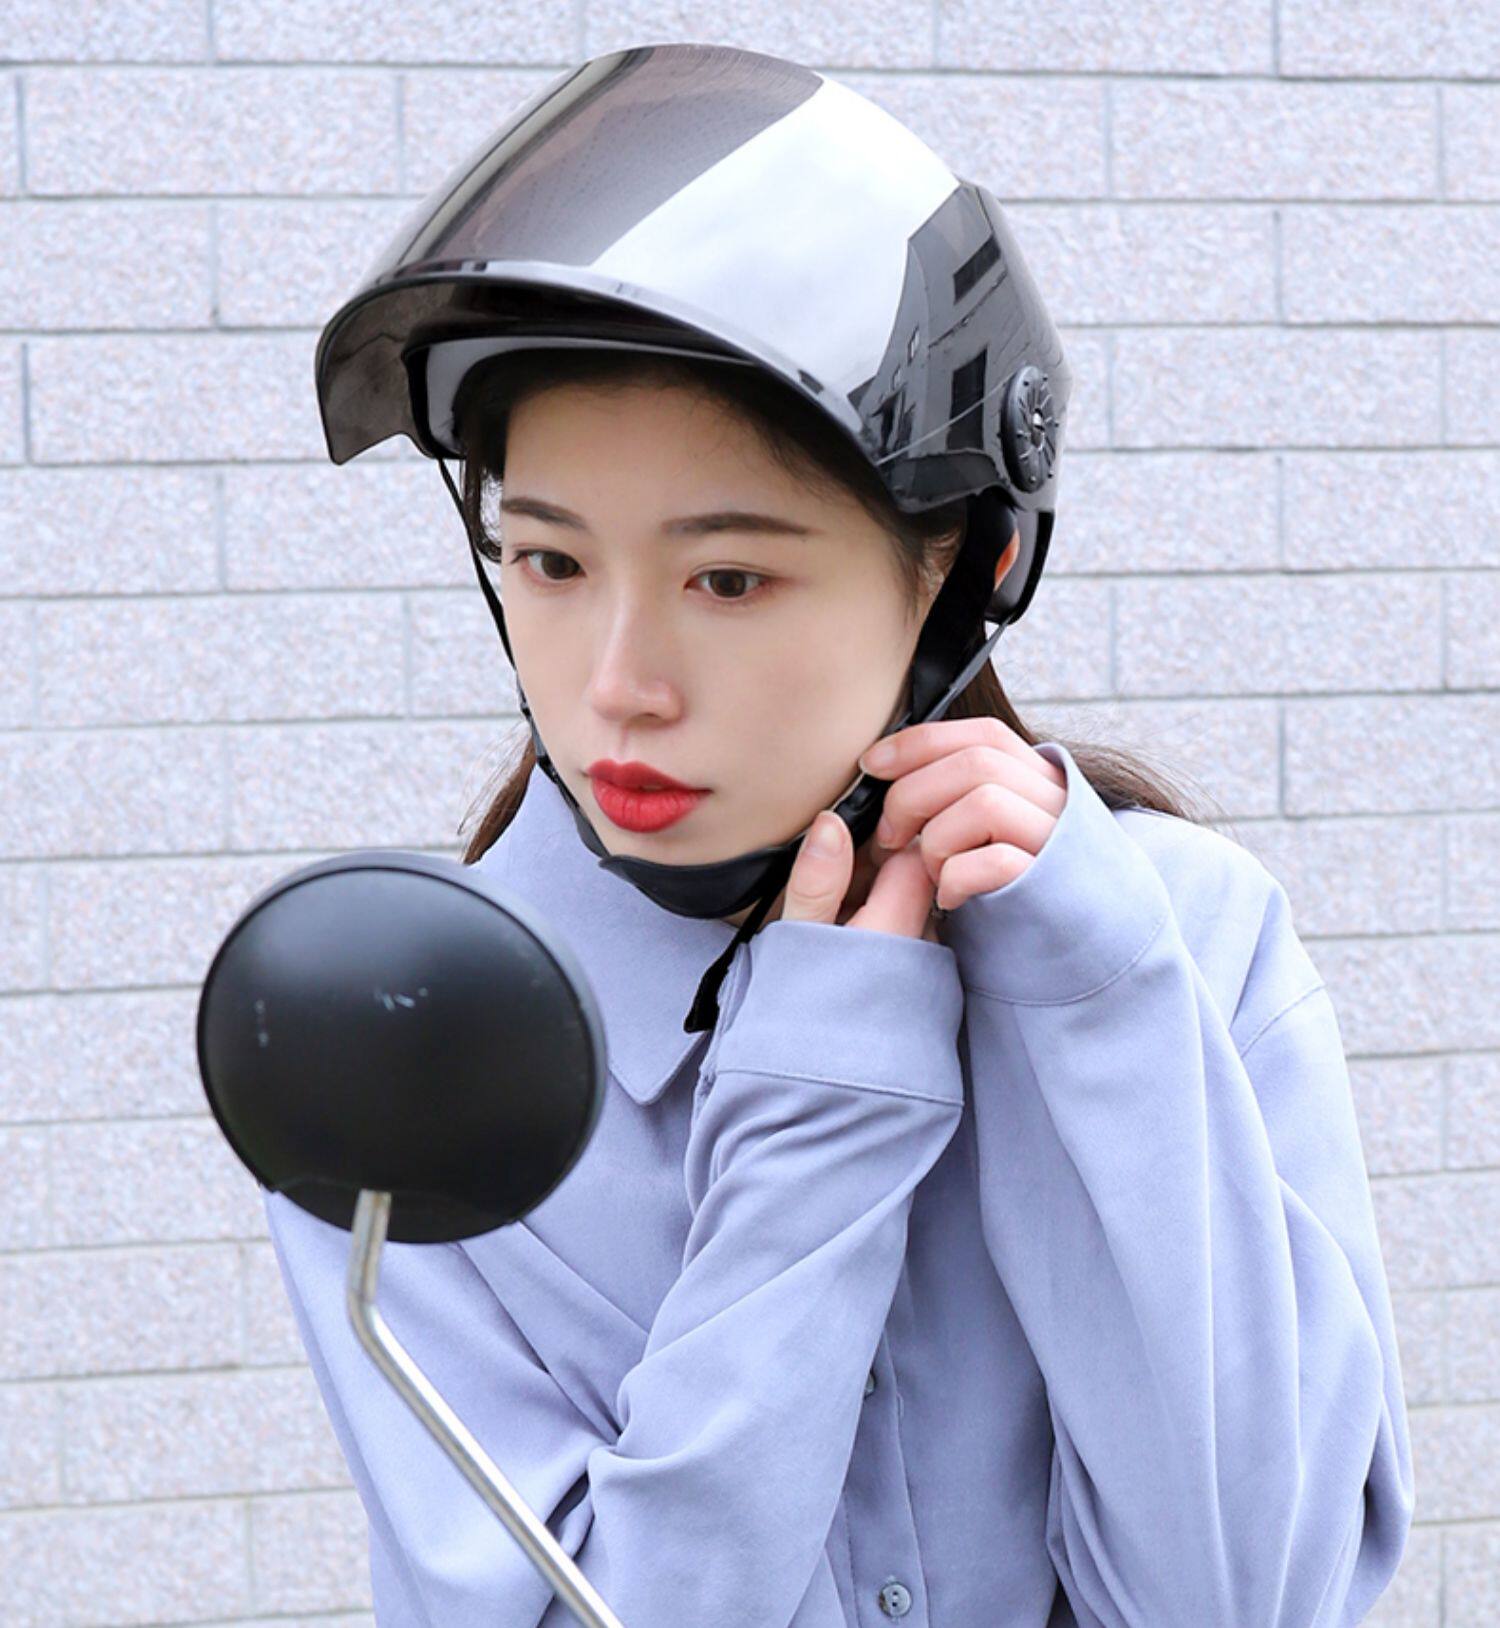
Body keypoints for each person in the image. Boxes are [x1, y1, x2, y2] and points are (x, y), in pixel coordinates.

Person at [262, 41, 1414, 1628]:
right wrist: (824, 1114)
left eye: (728, 578)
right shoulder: (397, 1057)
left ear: (965, 569)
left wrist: (1096, 1005)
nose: (620, 685)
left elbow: (1243, 1600)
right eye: (549, 563)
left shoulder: (1186, 947)